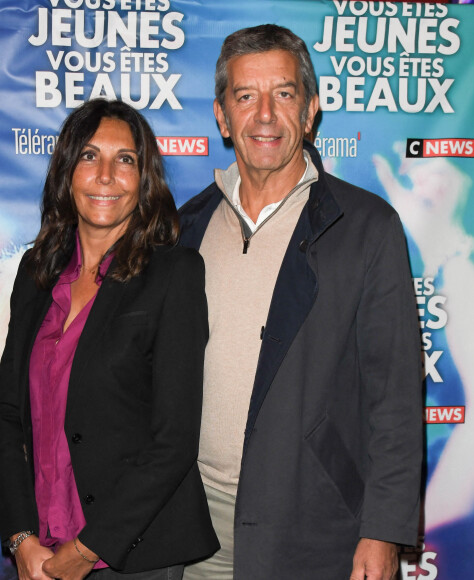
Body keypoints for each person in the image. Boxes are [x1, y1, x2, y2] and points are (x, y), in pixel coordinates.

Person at [179, 24, 423, 580]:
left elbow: (397, 400)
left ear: (310, 110)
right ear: (222, 116)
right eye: (245, 97)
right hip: (188, 527)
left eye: (283, 94)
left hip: (312, 525)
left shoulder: (366, 228)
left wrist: (382, 530)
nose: (264, 114)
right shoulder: (184, 228)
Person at [0, 98, 219, 580]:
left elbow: (174, 441)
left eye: (126, 160)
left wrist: (90, 548)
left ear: (144, 179)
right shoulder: (36, 272)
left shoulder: (173, 274)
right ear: (67, 171)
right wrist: (20, 538)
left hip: (134, 552)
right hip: (40, 549)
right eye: (90, 156)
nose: (106, 175)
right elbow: (8, 413)